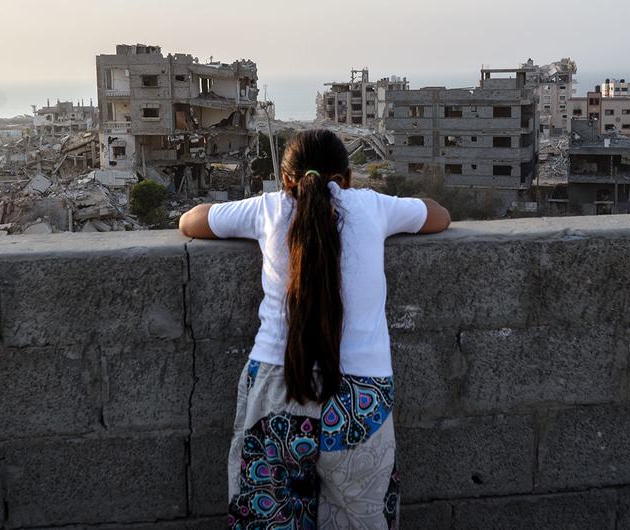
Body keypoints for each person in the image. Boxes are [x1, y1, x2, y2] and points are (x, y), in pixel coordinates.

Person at [179, 129, 450, 529]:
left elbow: (191, 220)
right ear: (347, 179)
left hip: (277, 386)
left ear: (287, 179)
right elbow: (438, 214)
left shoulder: (268, 209)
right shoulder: (372, 206)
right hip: (360, 401)